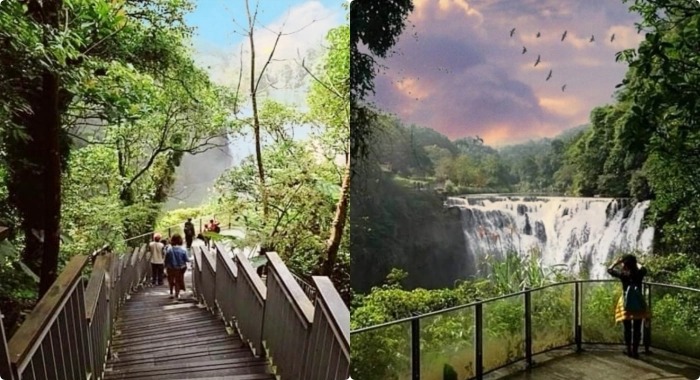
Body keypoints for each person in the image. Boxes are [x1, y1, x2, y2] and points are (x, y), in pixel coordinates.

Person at [607, 254, 650, 358]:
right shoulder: (640, 274)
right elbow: (644, 268)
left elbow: (609, 270)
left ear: (625, 265)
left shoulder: (623, 275)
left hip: (626, 304)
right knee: (637, 328)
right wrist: (635, 263)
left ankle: (628, 349)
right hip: (639, 304)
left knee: (627, 328)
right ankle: (635, 351)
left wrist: (616, 263)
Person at [164, 233, 189, 300]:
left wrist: (165, 267)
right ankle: (177, 294)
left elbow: (166, 260)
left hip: (170, 268)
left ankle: (171, 293)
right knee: (178, 281)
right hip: (179, 268)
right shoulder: (183, 250)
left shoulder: (169, 249)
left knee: (171, 280)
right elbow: (186, 259)